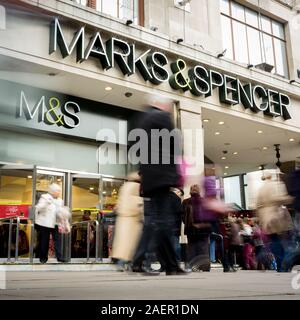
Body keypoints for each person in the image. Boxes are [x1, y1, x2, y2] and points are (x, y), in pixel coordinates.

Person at [131, 102, 187, 276]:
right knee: (161, 224)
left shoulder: (141, 120)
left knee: (156, 223)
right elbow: (174, 147)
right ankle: (165, 264)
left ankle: (168, 265)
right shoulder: (162, 117)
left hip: (150, 179)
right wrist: (176, 175)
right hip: (161, 177)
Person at [256, 172, 294, 271]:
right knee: (284, 242)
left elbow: (258, 205)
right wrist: (289, 199)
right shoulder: (276, 185)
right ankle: (283, 265)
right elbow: (277, 198)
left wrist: (261, 219)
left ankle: (278, 263)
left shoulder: (261, 189)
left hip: (266, 218)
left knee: (274, 241)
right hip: (276, 216)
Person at [111, 172, 144, 270]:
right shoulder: (137, 187)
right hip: (133, 219)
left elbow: (120, 202)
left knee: (122, 242)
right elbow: (137, 202)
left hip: (122, 218)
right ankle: (130, 264)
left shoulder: (124, 186)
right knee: (132, 243)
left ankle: (121, 263)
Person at [35, 183, 64, 263]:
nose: (59, 192)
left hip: (55, 223)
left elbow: (60, 212)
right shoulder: (45, 197)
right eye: (57, 191)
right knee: (45, 240)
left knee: (58, 240)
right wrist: (45, 203)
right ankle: (43, 258)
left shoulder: (60, 200)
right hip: (45, 223)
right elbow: (38, 208)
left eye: (59, 191)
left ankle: (60, 257)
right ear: (52, 191)